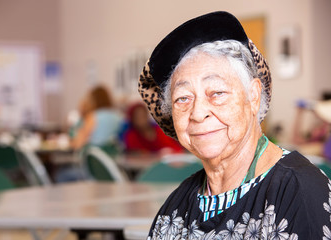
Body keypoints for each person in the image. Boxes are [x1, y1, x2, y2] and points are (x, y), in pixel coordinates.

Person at [138, 11, 331, 239]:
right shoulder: (177, 205)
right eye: (182, 98)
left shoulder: (299, 191)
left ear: (253, 96)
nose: (198, 113)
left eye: (217, 92)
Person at [70, 85, 122, 151]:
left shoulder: (93, 116)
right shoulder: (118, 116)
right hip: (113, 155)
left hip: (95, 156)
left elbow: (78, 144)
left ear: (93, 100)